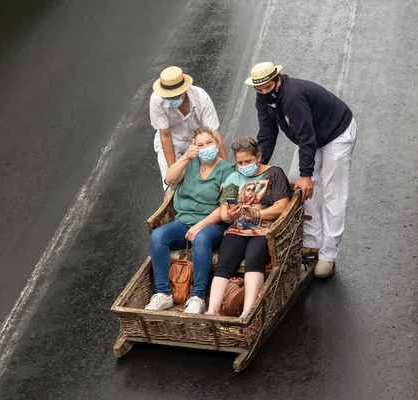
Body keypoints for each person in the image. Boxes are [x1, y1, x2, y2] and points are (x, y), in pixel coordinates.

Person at [246, 62, 356, 278]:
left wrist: (308, 175)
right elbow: (267, 132)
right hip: (311, 136)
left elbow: (307, 137)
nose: (264, 93)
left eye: (268, 87)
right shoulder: (263, 99)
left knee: (334, 193)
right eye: (259, 90)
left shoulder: (293, 96)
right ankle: (312, 241)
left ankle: (328, 255)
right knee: (296, 184)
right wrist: (258, 165)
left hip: (336, 133)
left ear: (277, 79)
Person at [145, 126, 234, 314]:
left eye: (209, 142)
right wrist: (186, 157)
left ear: (217, 143)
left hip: (212, 224)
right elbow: (170, 179)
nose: (206, 147)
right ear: (195, 147)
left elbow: (224, 208)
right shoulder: (190, 164)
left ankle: (198, 297)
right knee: (158, 236)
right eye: (200, 145)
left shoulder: (228, 170)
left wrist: (200, 226)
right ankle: (164, 293)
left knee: (201, 239)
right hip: (184, 221)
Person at [206, 137, 290, 319]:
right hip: (238, 229)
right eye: (240, 162)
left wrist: (257, 214)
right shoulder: (233, 178)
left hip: (264, 230)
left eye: (248, 161)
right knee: (225, 263)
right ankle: (211, 311)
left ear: (258, 157)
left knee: (254, 259)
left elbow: (283, 206)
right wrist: (230, 214)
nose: (244, 166)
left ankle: (247, 312)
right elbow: (223, 214)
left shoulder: (274, 174)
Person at [150, 66, 228, 193]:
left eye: (174, 97)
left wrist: (227, 170)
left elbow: (214, 134)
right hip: (172, 142)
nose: (170, 100)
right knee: (171, 185)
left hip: (198, 141)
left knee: (207, 177)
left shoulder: (201, 98)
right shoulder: (156, 100)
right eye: (167, 98)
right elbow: (165, 136)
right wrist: (174, 170)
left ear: (184, 91)